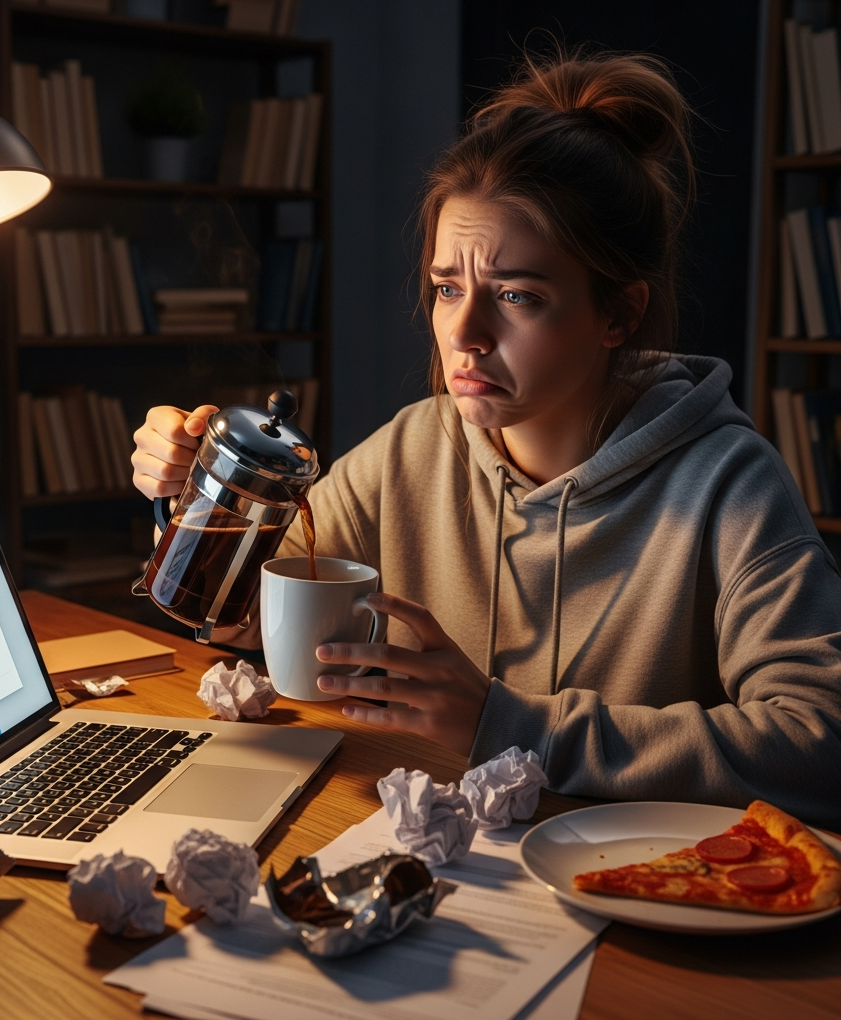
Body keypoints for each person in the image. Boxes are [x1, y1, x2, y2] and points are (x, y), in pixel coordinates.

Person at [132, 50, 841, 825]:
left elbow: (822, 744)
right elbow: (237, 619)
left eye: (516, 295)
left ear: (619, 315)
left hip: (634, 881)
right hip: (438, 859)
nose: (463, 333)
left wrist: (512, 726)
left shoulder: (728, 483)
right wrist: (197, 500)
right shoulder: (413, 450)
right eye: (447, 287)